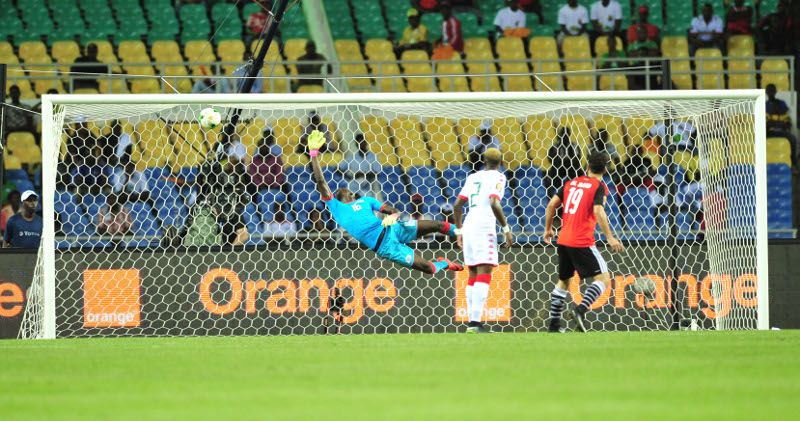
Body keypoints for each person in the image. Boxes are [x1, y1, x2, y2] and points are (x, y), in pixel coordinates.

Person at [307, 130, 463, 274]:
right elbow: (321, 181)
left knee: (438, 225)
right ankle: (445, 264)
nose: (347, 192)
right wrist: (313, 154)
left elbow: (393, 210)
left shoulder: (366, 201)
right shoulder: (336, 207)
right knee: (429, 268)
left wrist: (394, 216)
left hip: (394, 228)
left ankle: (466, 233)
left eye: (348, 191)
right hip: (385, 246)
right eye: (343, 192)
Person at [543, 151, 624, 333]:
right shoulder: (599, 186)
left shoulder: (570, 184)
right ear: (605, 170)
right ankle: (580, 310)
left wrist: (548, 229)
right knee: (603, 279)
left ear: (587, 166)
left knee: (563, 281)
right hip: (582, 241)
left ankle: (554, 325)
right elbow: (598, 211)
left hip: (563, 239)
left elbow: (550, 206)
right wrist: (610, 238)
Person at [452, 148, 513, 333]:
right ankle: (476, 323)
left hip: (469, 226)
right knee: (484, 271)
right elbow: (494, 202)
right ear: (501, 162)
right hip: (484, 227)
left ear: (483, 161)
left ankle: (472, 322)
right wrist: (506, 229)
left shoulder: (472, 177)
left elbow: (457, 205)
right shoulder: (499, 177)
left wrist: (459, 231)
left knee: (472, 273)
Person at [765, 83, 798, 171]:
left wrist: (776, 123)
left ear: (775, 92)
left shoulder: (782, 103)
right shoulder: (764, 105)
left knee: (793, 139)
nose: (771, 93)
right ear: (766, 92)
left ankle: (794, 164)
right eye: (769, 91)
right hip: (769, 132)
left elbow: (787, 121)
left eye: (772, 91)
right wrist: (778, 123)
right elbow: (765, 123)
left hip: (782, 131)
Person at [339, 133, 381, 199]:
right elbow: (338, 169)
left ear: (366, 142)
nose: (361, 144)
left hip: (366, 191)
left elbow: (377, 173)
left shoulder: (373, 157)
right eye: (358, 142)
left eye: (362, 142)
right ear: (356, 144)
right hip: (353, 190)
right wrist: (350, 176)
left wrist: (363, 175)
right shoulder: (352, 158)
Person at [248, 126, 287, 194]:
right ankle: (254, 204)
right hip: (259, 184)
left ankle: (288, 204)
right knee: (251, 188)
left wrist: (275, 184)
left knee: (285, 188)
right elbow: (253, 175)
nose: (264, 148)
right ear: (258, 148)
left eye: (266, 146)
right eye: (262, 147)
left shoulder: (276, 158)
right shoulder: (254, 161)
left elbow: (279, 173)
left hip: (274, 183)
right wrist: (260, 184)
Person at [546, 127, 582, 197]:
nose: (564, 136)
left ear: (569, 135)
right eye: (562, 134)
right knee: (549, 179)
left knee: (580, 174)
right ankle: (552, 198)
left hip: (571, 168)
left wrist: (568, 161)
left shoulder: (574, 145)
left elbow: (578, 158)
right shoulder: (554, 146)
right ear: (559, 134)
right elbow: (550, 159)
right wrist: (559, 161)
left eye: (566, 134)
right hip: (558, 168)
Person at [627, 25, 661, 89]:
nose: (642, 34)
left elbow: (654, 54)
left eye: (643, 32)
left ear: (646, 33)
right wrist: (647, 51)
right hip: (636, 68)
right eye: (640, 32)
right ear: (637, 34)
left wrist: (638, 52)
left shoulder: (652, 43)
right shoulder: (631, 45)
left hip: (650, 67)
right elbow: (631, 56)